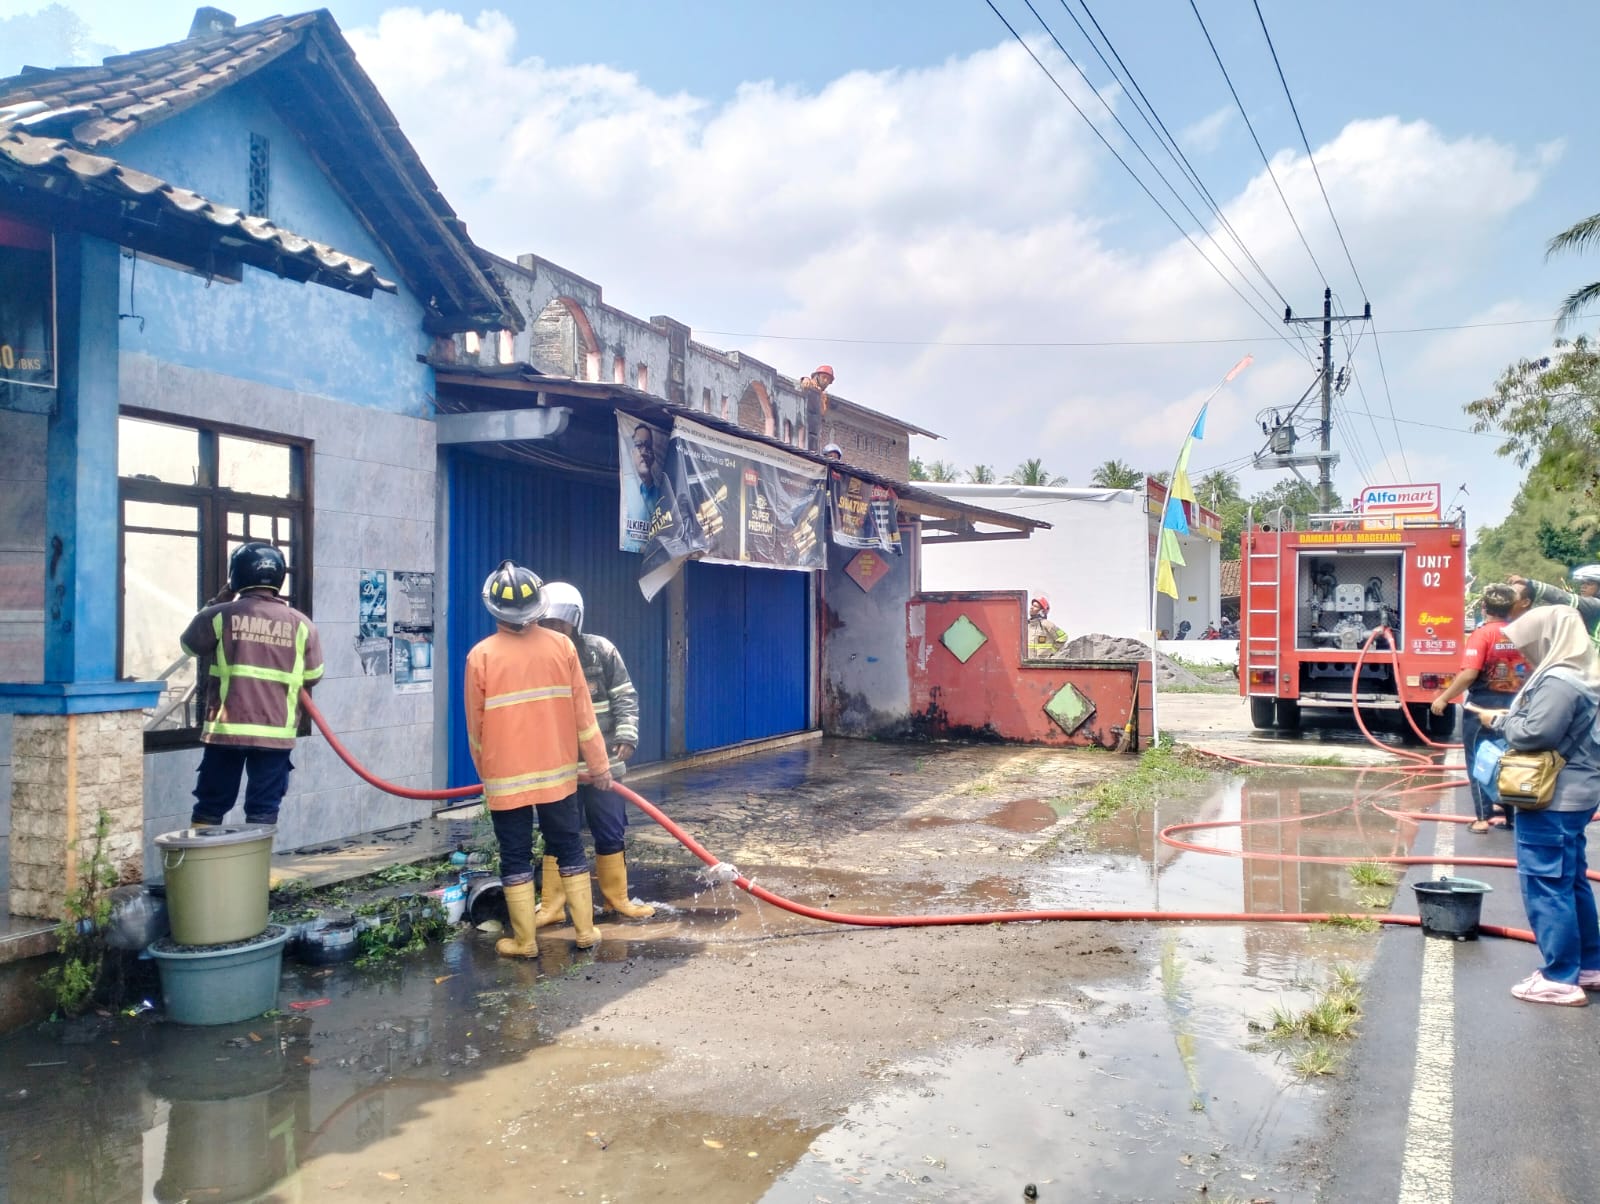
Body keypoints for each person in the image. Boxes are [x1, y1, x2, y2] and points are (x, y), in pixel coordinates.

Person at [464, 561, 613, 958]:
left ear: (494, 607)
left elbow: (476, 730)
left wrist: (486, 775)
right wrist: (599, 765)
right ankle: (586, 932)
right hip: (557, 777)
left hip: (506, 780)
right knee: (568, 847)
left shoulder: (480, 656)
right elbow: (585, 716)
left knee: (515, 855)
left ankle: (525, 942)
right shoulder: (562, 647)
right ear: (537, 605)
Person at [1478, 607, 1600, 1006]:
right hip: (1578, 794)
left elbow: (1534, 734)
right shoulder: (1584, 674)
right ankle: (1589, 965)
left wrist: (1502, 722)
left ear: (1548, 640)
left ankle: (1559, 978)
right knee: (1571, 880)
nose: (1524, 654)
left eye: (1528, 645)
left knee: (1546, 885)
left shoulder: (1559, 681)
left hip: (1551, 798)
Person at [535, 582, 656, 924]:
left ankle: (616, 899)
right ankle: (552, 906)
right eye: (547, 623)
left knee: (610, 829)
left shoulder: (600, 651)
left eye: (559, 623)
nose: (553, 629)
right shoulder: (536, 659)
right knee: (559, 833)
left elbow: (625, 696)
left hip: (603, 765)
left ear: (575, 621)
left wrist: (627, 735)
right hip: (559, 768)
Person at [179, 542, 324, 828]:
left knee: (210, 805)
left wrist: (217, 601)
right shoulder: (302, 624)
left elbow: (189, 645)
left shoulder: (220, 615)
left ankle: (203, 857)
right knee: (263, 810)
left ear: (236, 576)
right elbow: (314, 675)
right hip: (274, 733)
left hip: (227, 733)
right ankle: (256, 858)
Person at [1431, 583, 1531, 832]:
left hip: (1483, 707)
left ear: (1484, 607)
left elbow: (1469, 673)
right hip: (1515, 705)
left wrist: (1444, 698)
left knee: (1479, 759)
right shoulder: (1522, 633)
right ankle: (1512, 818)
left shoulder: (1483, 634)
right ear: (1512, 607)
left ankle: (1483, 818)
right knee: (1510, 759)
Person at [1509, 569, 1600, 649]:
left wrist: (1531, 583)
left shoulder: (1595, 604)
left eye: (1589, 584)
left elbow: (1564, 598)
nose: (1583, 586)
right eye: (1583, 583)